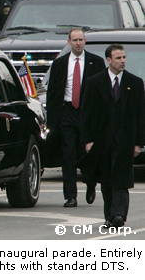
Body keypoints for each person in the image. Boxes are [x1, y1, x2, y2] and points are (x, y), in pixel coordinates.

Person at [78, 44, 145, 228]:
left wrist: (139, 143)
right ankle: (110, 216)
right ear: (108, 60)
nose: (122, 61)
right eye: (118, 58)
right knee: (107, 179)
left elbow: (141, 115)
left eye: (124, 57)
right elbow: (86, 114)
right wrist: (88, 140)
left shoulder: (135, 83)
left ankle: (119, 215)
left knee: (121, 178)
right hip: (102, 140)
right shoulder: (94, 82)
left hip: (125, 140)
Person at [46, 28, 106, 208]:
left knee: (87, 152)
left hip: (88, 114)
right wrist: (52, 121)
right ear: (68, 42)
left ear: (85, 41)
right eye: (75, 40)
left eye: (81, 40)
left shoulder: (96, 62)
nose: (78, 43)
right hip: (67, 113)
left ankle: (90, 183)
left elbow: (102, 92)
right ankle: (70, 196)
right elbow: (52, 92)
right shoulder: (59, 63)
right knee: (68, 154)